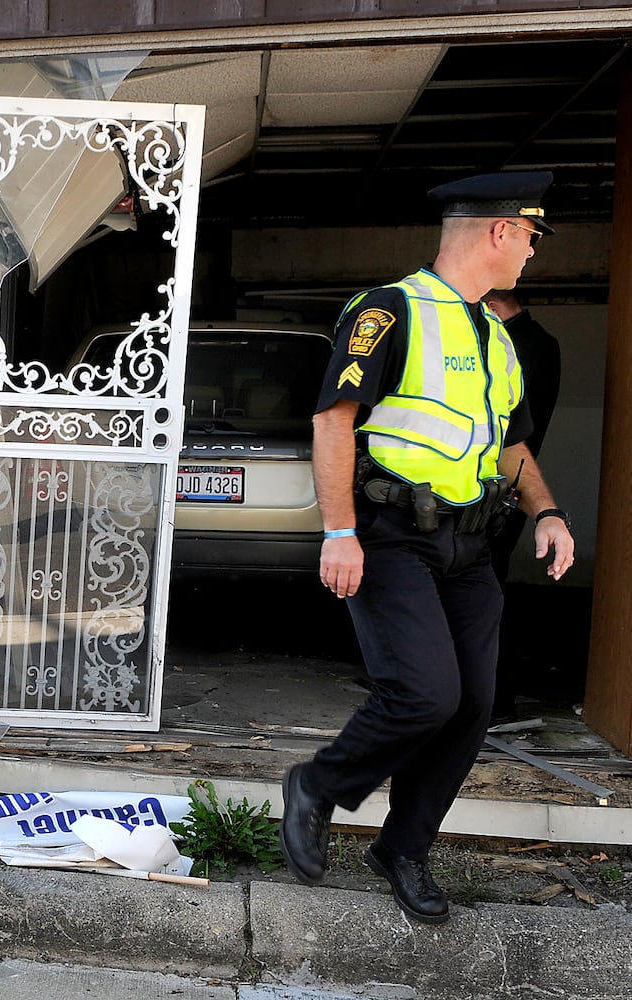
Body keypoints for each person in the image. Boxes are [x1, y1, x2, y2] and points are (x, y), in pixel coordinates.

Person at [281, 172, 575, 924]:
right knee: (423, 692)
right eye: (532, 238)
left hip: (471, 547)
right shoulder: (389, 311)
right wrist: (339, 531)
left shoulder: (498, 338)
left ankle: (403, 847)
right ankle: (318, 785)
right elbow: (332, 423)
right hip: (391, 534)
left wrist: (547, 513)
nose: (533, 256)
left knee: (472, 704)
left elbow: (511, 444)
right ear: (500, 232)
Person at [481, 287, 562, 722]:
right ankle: (490, 696)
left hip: (500, 487)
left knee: (483, 592)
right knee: (489, 587)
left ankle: (492, 698)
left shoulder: (513, 345)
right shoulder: (543, 343)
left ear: (492, 306)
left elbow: (504, 429)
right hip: (515, 486)